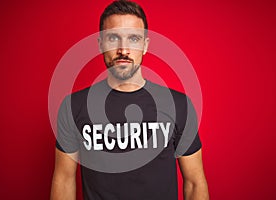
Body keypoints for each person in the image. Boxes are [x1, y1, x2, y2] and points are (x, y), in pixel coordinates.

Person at [50, 0, 209, 199]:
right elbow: (64, 181)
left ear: (145, 45)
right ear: (100, 44)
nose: (123, 50)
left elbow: (195, 182)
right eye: (113, 38)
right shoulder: (73, 107)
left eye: (133, 39)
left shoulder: (178, 105)